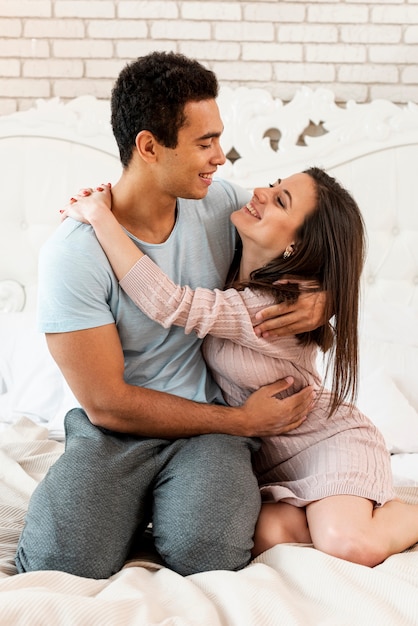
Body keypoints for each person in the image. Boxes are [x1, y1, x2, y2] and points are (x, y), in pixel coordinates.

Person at [15, 51, 325, 579]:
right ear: (149, 146)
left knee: (209, 552)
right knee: (57, 562)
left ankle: (162, 510)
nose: (220, 157)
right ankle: (130, 508)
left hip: (209, 434)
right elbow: (109, 404)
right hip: (116, 431)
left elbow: (308, 243)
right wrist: (242, 421)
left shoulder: (223, 207)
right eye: (205, 142)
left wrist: (322, 299)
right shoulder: (73, 252)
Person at [60, 169, 418, 567]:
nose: (261, 193)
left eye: (281, 200)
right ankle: (332, 515)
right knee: (266, 535)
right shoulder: (234, 261)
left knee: (348, 545)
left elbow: (168, 303)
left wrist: (100, 217)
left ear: (296, 247)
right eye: (274, 184)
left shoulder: (273, 305)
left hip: (327, 445)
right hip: (273, 461)